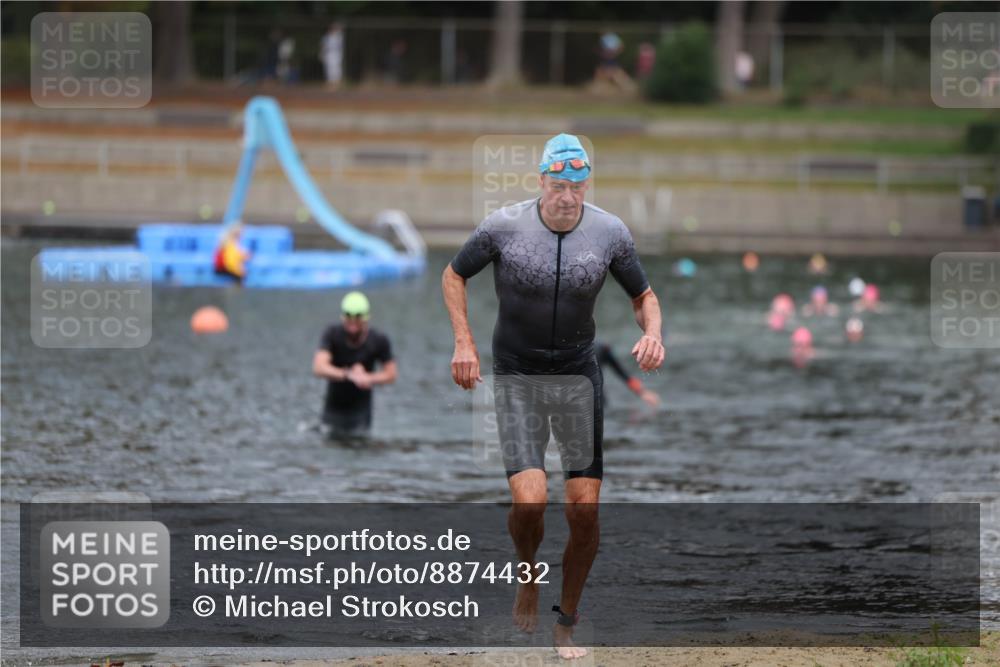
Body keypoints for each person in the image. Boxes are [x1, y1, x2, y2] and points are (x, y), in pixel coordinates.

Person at [442, 133, 664, 659]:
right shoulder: (503, 227)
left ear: (587, 185)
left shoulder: (609, 232)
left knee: (584, 510)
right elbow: (453, 276)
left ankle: (566, 621)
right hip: (517, 375)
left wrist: (653, 331)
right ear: (541, 181)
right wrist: (464, 342)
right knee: (531, 499)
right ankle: (527, 573)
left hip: (577, 376)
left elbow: (644, 296)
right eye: (559, 184)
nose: (568, 195)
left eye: (578, 185)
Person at [312, 292, 397, 437]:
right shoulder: (332, 334)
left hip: (361, 414)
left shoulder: (378, 340)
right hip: (333, 410)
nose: (352, 325)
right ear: (343, 317)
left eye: (357, 319)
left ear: (365, 319)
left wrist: (367, 378)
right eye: (349, 318)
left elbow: (391, 374)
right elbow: (319, 367)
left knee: (359, 445)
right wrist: (349, 374)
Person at [596, 341, 660, 407]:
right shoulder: (600, 347)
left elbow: (622, 372)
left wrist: (642, 392)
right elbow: (622, 372)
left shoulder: (600, 348)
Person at [320, 23, 345, 89]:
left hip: (336, 54)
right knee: (329, 69)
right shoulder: (326, 37)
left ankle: (337, 83)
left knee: (336, 69)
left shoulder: (338, 37)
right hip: (329, 54)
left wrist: (338, 28)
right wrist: (322, 54)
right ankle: (330, 83)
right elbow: (323, 46)